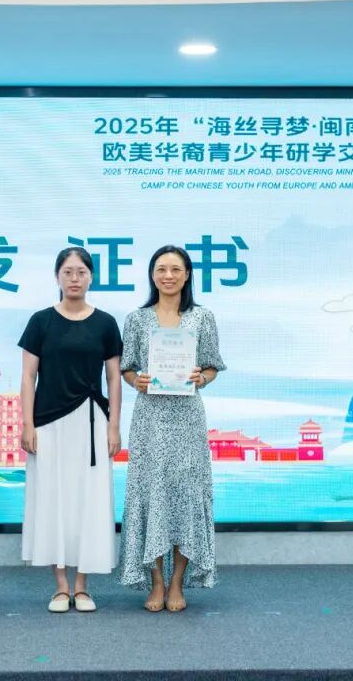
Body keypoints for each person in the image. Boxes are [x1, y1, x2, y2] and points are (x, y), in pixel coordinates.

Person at [117, 244, 226, 612]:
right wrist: (136, 380)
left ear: (187, 274)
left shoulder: (202, 318)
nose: (168, 275)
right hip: (150, 417)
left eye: (175, 269)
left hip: (187, 417)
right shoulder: (137, 319)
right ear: (152, 274)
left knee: (185, 494)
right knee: (151, 493)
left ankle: (178, 581)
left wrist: (202, 377)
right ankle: (157, 582)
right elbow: (127, 367)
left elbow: (212, 365)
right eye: (161, 269)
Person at [19, 246, 123, 613]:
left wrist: (114, 426)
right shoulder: (40, 321)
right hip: (48, 424)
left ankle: (83, 586)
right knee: (53, 500)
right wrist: (27, 424)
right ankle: (60, 586)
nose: (74, 278)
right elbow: (28, 377)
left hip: (92, 423)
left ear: (91, 277)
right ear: (57, 277)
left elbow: (114, 378)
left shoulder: (106, 323)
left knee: (89, 501)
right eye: (67, 272)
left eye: (81, 272)